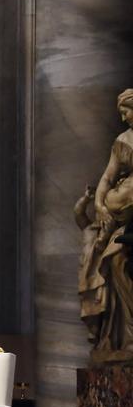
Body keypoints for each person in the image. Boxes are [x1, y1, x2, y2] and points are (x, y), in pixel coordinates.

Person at [77, 88, 133, 359]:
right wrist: (99, 205)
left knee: (119, 258)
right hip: (116, 219)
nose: (123, 117)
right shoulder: (123, 141)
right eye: (121, 112)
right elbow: (106, 179)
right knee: (113, 259)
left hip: (126, 221)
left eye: (126, 110)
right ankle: (123, 337)